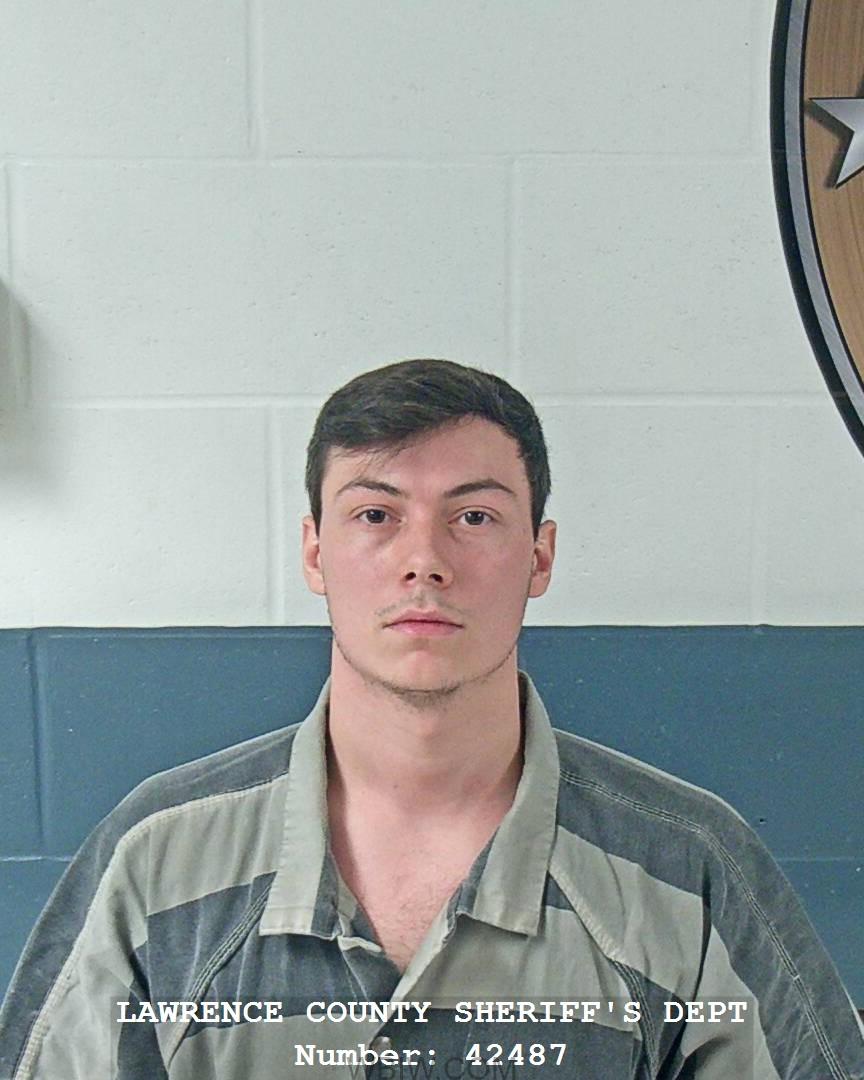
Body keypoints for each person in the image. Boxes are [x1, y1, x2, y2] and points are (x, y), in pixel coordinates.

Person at [0, 357, 861, 1080]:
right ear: (315, 553)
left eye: (473, 517)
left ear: (540, 556)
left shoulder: (689, 873)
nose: (424, 561)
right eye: (376, 515)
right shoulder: (158, 863)